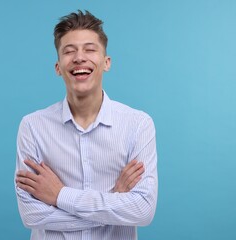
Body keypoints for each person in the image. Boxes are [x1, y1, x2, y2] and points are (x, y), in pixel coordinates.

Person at [15, 10, 158, 240]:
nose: (79, 57)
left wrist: (59, 195)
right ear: (58, 67)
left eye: (90, 49)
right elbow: (32, 215)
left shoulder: (138, 125)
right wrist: (114, 198)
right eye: (69, 51)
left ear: (106, 62)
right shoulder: (32, 127)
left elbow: (143, 210)